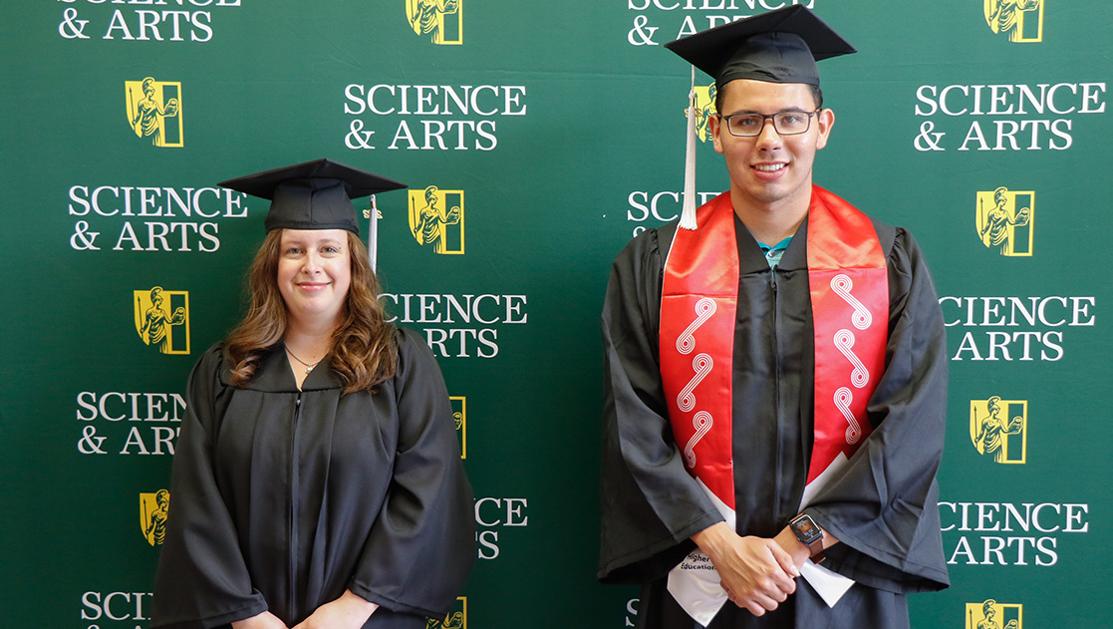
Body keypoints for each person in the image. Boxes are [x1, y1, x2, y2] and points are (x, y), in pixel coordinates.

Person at [598, 7, 949, 628]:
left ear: (823, 127)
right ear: (714, 129)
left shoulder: (889, 258)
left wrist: (798, 543)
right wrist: (720, 545)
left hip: (842, 577)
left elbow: (911, 427)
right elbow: (634, 425)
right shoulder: (654, 263)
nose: (770, 140)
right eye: (746, 120)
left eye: (791, 118)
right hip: (704, 578)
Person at [151, 159, 474, 629]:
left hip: (367, 621)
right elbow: (197, 498)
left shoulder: (398, 363)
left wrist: (353, 608)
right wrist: (247, 615)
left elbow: (429, 488)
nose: (312, 266)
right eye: (294, 250)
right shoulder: (226, 369)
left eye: (329, 248)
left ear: (353, 262)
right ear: (272, 265)